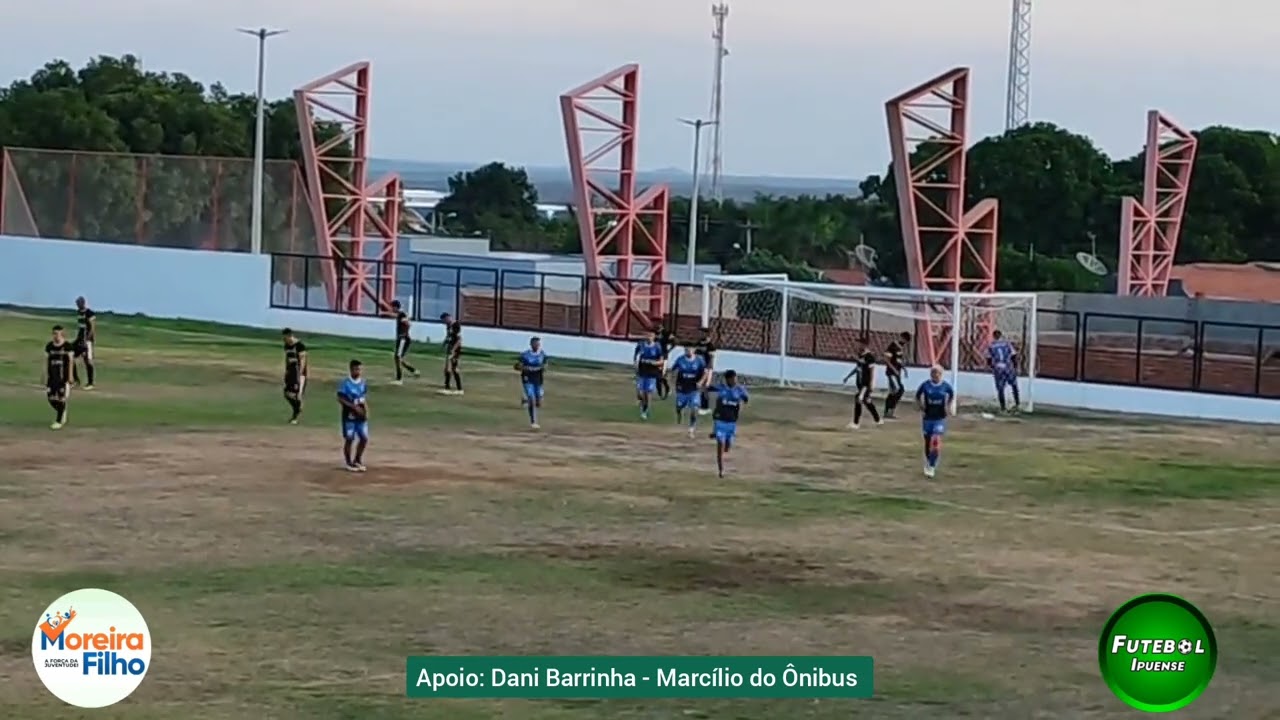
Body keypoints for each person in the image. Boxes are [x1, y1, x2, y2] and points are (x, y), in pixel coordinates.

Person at [706, 370, 749, 478]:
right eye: (733, 378)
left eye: (736, 378)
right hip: (720, 421)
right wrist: (705, 388)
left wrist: (743, 400)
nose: (735, 380)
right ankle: (721, 470)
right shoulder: (721, 388)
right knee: (720, 445)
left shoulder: (739, 389)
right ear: (728, 379)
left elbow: (746, 398)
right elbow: (709, 388)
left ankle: (718, 436)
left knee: (727, 446)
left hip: (732, 422)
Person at [915, 365, 956, 478]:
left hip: (940, 418)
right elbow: (917, 396)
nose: (935, 375)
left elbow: (952, 395)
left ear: (941, 374)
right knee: (928, 442)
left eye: (937, 373)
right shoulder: (926, 385)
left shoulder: (945, 386)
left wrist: (948, 407)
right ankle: (929, 462)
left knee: (936, 442)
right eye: (933, 373)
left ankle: (932, 466)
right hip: (928, 418)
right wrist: (921, 407)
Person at [337, 360, 370, 472]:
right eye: (356, 369)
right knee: (349, 439)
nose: (358, 371)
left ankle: (357, 460)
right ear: (351, 369)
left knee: (364, 438)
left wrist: (366, 410)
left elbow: (363, 398)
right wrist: (353, 407)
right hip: (349, 416)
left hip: (360, 416)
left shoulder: (363, 383)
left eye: (360, 369)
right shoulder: (345, 383)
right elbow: (340, 398)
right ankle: (348, 462)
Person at [669, 345, 708, 437]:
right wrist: (670, 382)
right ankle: (679, 413)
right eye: (686, 349)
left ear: (694, 350)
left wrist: (701, 382)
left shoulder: (699, 360)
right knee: (679, 406)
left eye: (690, 349)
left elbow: (705, 373)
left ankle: (691, 429)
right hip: (682, 388)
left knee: (694, 409)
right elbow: (673, 371)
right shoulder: (680, 359)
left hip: (694, 389)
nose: (688, 351)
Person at [842, 339, 882, 429]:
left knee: (858, 399)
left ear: (864, 345)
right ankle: (878, 420)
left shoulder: (869, 357)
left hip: (866, 384)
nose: (857, 346)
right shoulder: (860, 356)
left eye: (859, 345)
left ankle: (856, 423)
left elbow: (872, 371)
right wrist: (848, 377)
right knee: (867, 401)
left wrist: (871, 384)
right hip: (861, 384)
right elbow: (857, 368)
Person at [44, 325, 74, 430]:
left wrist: (70, 376)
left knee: (61, 398)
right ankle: (62, 412)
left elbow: (70, 362)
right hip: (52, 377)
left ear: (62, 334)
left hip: (63, 377)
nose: (56, 336)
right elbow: (47, 361)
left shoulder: (67, 346)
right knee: (51, 398)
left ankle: (58, 421)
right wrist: (45, 375)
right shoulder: (49, 346)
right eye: (54, 333)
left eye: (58, 334)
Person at [516, 337, 547, 429]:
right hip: (527, 379)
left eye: (538, 344)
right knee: (532, 400)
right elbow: (517, 366)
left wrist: (543, 368)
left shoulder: (542, 355)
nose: (537, 346)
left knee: (538, 403)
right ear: (531, 344)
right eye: (535, 344)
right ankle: (533, 422)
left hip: (538, 379)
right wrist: (522, 368)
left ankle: (526, 399)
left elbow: (545, 366)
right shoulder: (525, 355)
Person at [633, 330, 665, 420]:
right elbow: (636, 358)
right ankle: (641, 401)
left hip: (651, 374)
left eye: (651, 335)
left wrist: (653, 363)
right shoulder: (641, 345)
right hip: (641, 372)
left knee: (647, 394)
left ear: (654, 336)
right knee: (639, 393)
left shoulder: (657, 347)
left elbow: (661, 361)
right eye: (647, 335)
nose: (649, 337)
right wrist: (635, 367)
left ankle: (645, 411)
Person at [988, 330, 1020, 413]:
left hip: (998, 368)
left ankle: (1003, 408)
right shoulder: (1007, 344)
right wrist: (1015, 366)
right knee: (1014, 385)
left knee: (1000, 388)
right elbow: (1014, 355)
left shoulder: (991, 346)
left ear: (994, 336)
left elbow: (988, 358)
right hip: (1008, 367)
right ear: (1001, 336)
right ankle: (1017, 404)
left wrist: (992, 367)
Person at [282, 328, 308, 424]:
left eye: (285, 338)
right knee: (286, 393)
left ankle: (295, 417)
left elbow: (302, 361)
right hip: (291, 373)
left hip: (299, 374)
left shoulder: (300, 346)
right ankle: (298, 407)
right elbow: (287, 359)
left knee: (298, 394)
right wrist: (286, 371)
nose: (284, 340)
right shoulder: (286, 346)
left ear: (290, 336)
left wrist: (300, 375)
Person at [390, 300, 419, 385]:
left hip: (403, 339)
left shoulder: (402, 314)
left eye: (392, 307)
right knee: (398, 358)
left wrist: (404, 334)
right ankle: (413, 370)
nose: (392, 309)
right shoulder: (400, 315)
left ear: (395, 307)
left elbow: (408, 324)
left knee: (398, 357)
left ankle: (399, 379)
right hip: (402, 338)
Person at [883, 331, 911, 418]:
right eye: (904, 339)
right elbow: (887, 359)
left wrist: (904, 369)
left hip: (897, 373)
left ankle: (890, 411)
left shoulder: (901, 348)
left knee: (896, 391)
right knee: (897, 390)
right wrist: (894, 370)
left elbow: (898, 360)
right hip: (891, 373)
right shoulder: (893, 345)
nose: (904, 342)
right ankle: (888, 411)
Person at [72, 296, 96, 390]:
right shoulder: (79, 313)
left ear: (83, 303)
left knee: (88, 361)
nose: (77, 305)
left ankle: (90, 383)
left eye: (78, 303)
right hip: (79, 339)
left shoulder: (89, 313)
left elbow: (92, 328)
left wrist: (87, 339)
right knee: (70, 356)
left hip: (87, 341)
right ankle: (75, 380)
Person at [693, 327, 717, 416]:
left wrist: (708, 370)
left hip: (707, 368)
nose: (700, 334)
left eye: (702, 333)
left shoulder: (711, 346)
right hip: (698, 368)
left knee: (705, 387)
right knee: (698, 386)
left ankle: (705, 407)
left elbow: (711, 359)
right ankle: (697, 403)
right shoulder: (698, 343)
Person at [440, 312, 463, 395]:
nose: (444, 322)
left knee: (453, 368)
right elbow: (449, 336)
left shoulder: (456, 325)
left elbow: (459, 340)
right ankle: (448, 387)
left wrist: (453, 350)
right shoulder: (448, 325)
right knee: (448, 368)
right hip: (450, 348)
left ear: (448, 317)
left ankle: (457, 389)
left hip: (455, 349)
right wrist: (444, 343)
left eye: (445, 320)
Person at [655, 324, 677, 399]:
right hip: (656, 357)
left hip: (663, 357)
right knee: (657, 376)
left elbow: (674, 342)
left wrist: (668, 350)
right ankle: (660, 393)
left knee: (661, 375)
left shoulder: (666, 333)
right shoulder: (655, 334)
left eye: (659, 328)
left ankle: (667, 389)